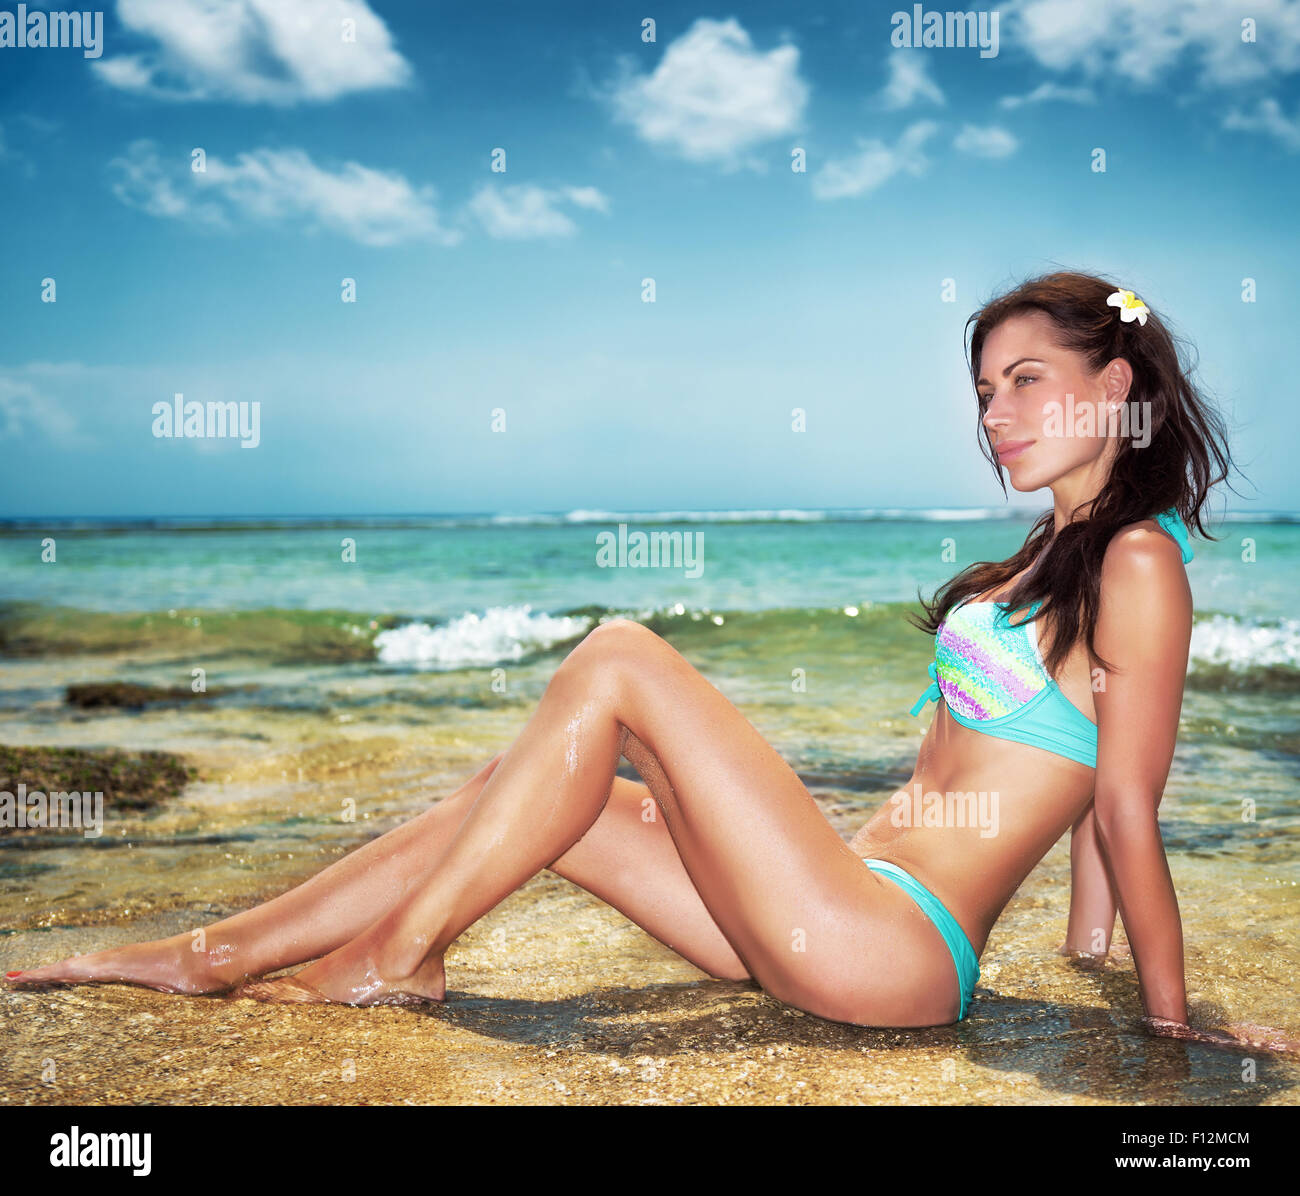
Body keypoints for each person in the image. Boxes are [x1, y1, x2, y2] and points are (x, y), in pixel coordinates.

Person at [6, 270, 1287, 1050]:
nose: (992, 412)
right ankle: (215, 954)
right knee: (542, 788)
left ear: (1112, 382)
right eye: (980, 389)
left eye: (1023, 379)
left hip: (889, 949)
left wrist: (1167, 1033)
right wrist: (1080, 959)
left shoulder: (1139, 563)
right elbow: (1072, 810)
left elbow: (1121, 804)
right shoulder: (1043, 559)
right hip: (832, 903)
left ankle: (397, 957)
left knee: (618, 655)